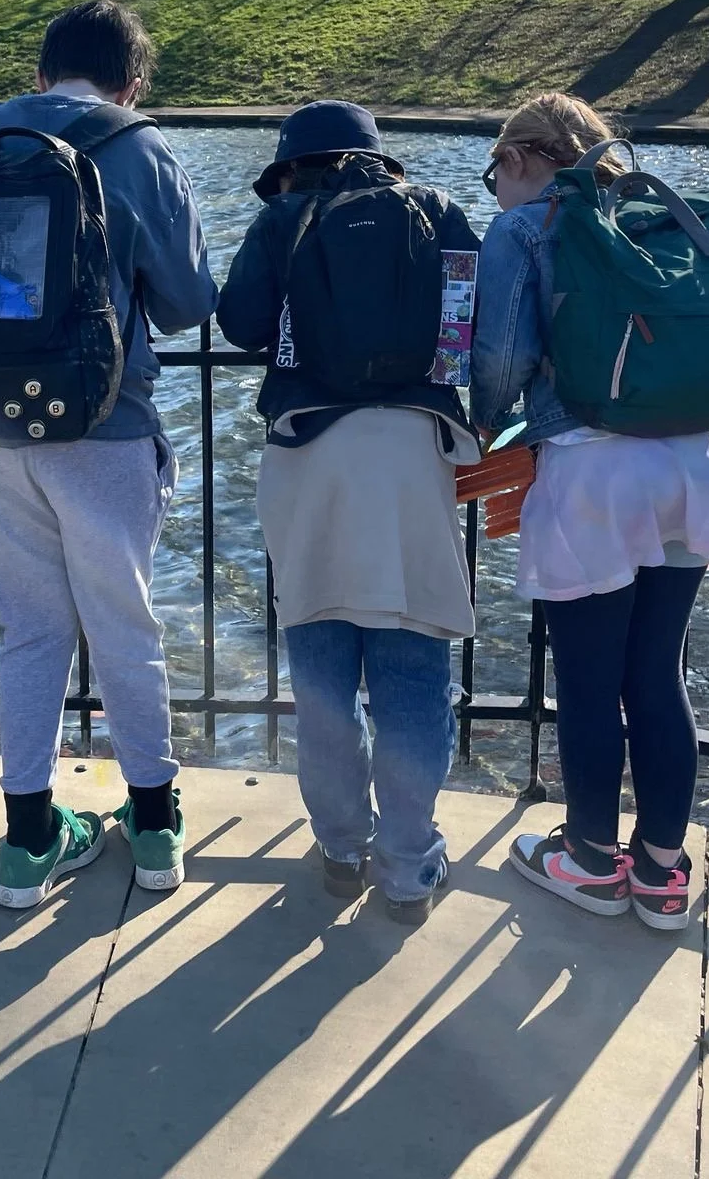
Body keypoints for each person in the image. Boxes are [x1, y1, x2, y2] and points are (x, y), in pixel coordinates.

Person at [0, 0, 217, 910]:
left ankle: (28, 843)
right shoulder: (138, 146)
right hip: (102, 425)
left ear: (40, 74)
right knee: (124, 629)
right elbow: (187, 303)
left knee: (30, 633)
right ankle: (154, 828)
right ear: (131, 82)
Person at [472, 92, 709, 930]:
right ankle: (663, 875)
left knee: (590, 683)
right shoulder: (652, 211)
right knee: (657, 673)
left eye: (496, 174)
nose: (495, 191)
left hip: (595, 472)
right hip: (693, 465)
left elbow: (503, 355)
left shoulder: (525, 229)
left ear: (522, 156)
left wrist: (485, 425)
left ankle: (590, 860)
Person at [216, 101, 481, 924]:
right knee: (411, 674)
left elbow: (237, 322)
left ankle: (340, 848)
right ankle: (408, 866)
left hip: (310, 456)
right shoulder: (438, 212)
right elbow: (465, 336)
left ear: (294, 165)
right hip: (417, 456)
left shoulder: (287, 218)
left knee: (323, 673)